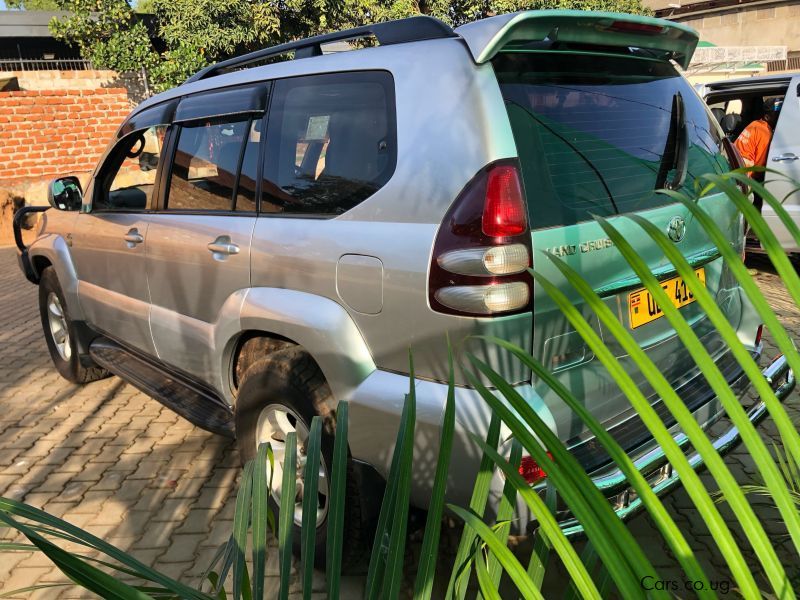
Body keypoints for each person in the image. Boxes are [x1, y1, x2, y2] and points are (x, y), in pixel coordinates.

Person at [734, 99, 781, 178]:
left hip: (736, 167)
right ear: (767, 117)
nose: (780, 117)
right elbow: (759, 168)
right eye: (777, 115)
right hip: (744, 176)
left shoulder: (755, 124)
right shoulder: (765, 133)